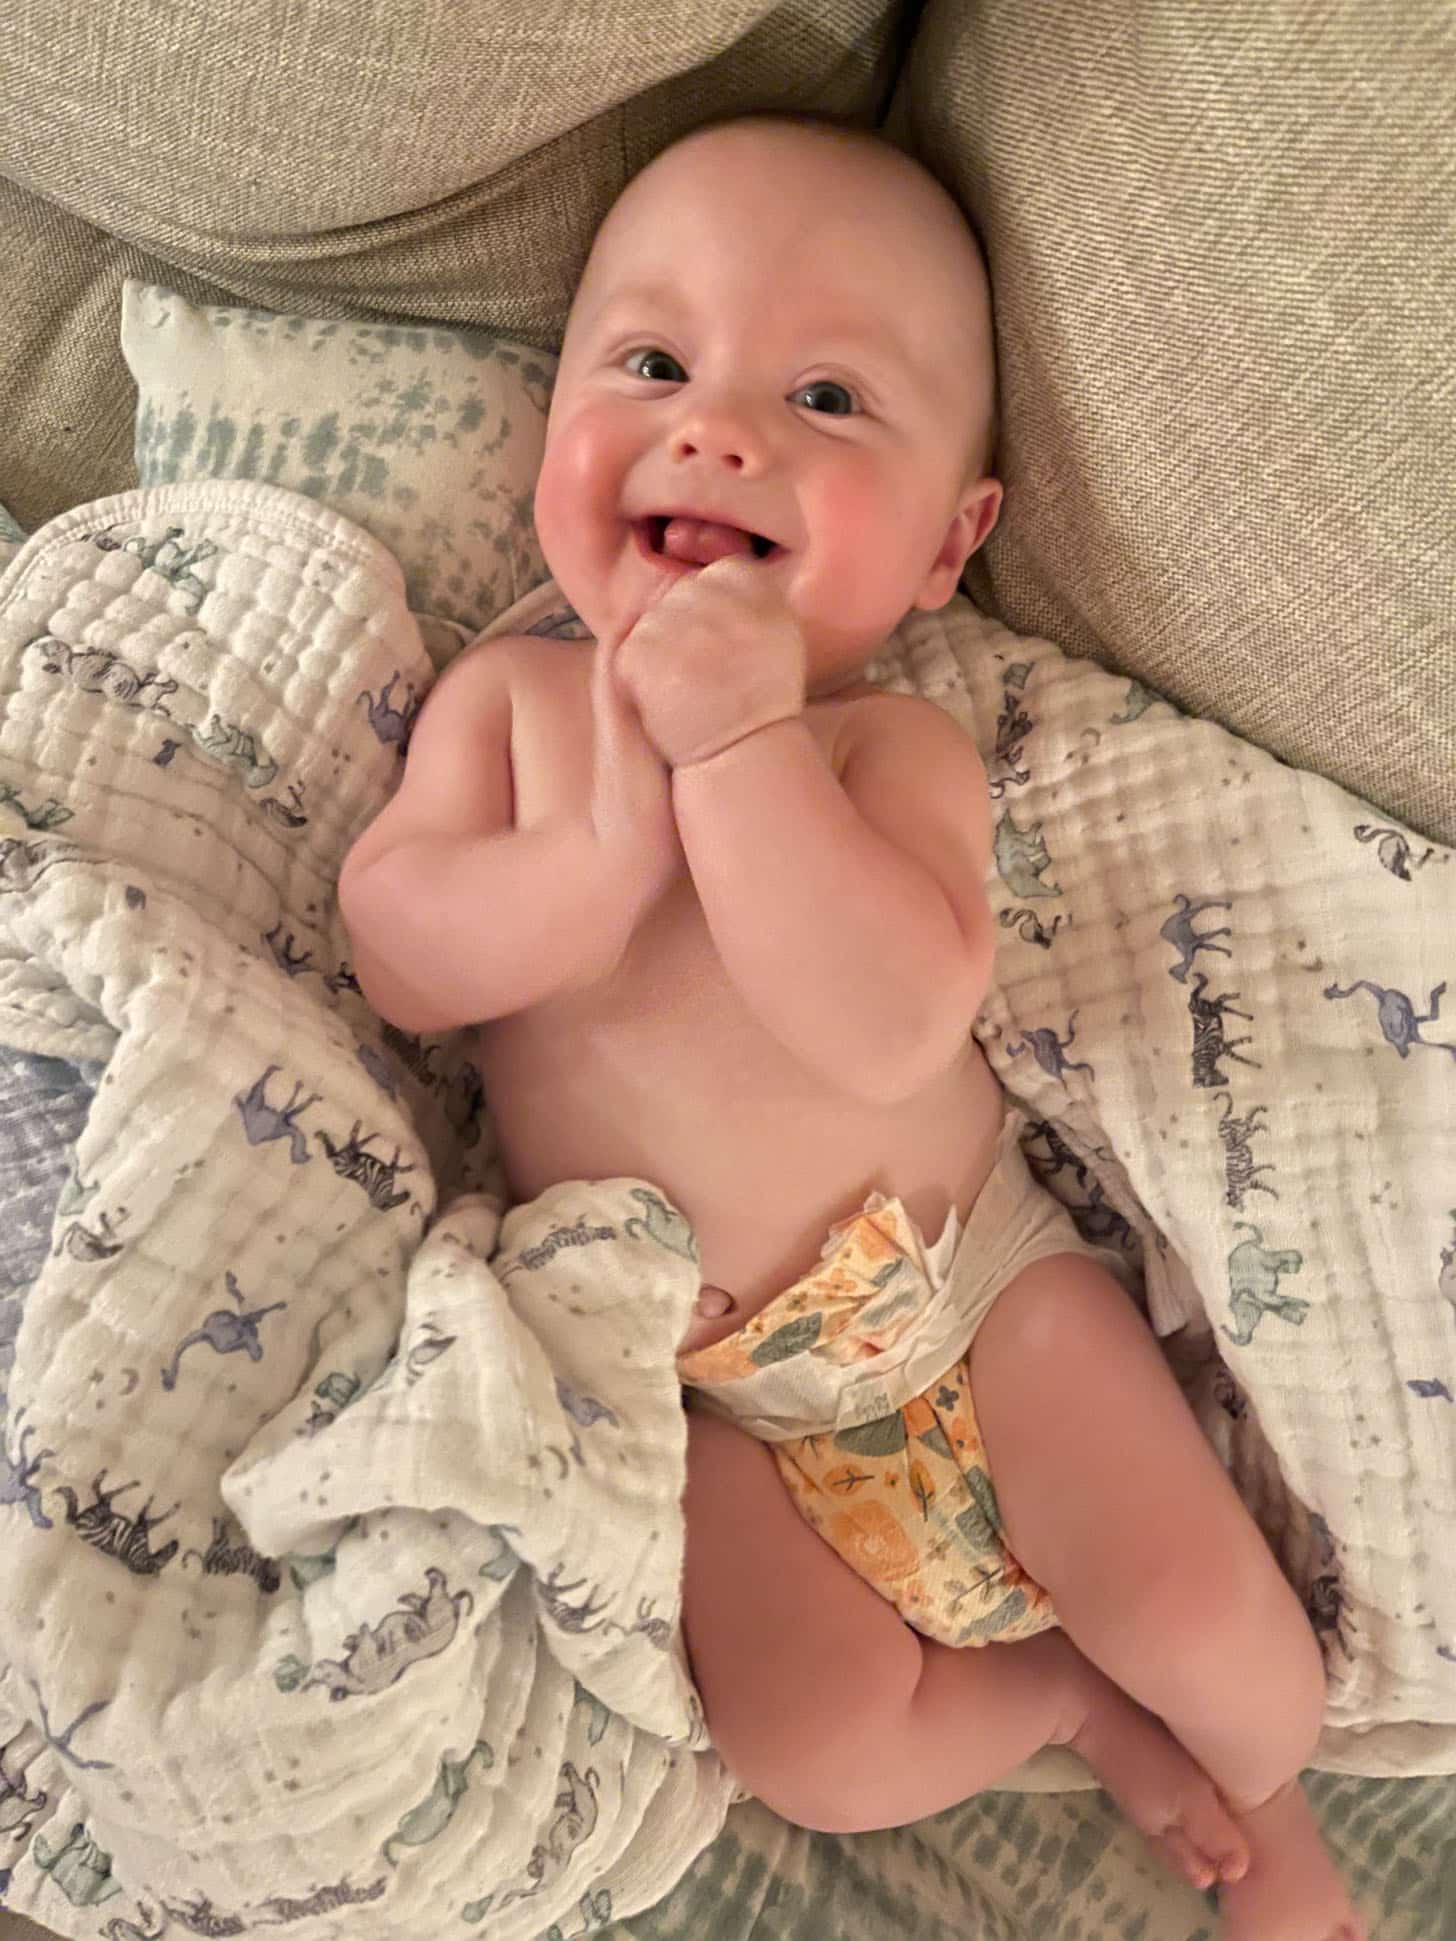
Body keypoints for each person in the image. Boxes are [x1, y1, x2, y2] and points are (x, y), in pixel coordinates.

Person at [338, 113, 1364, 1941]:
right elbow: (400, 950)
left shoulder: (885, 751)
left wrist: (741, 750)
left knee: (1245, 1669)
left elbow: (888, 1025)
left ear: (949, 544)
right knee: (813, 1744)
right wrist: (584, 862)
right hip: (705, 1396)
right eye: (653, 364)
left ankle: (1259, 1797)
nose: (718, 429)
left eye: (823, 397)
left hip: (967, 1291)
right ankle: (1062, 1700)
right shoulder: (511, 707)